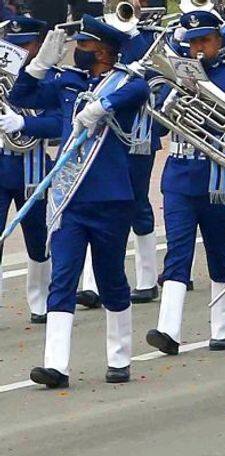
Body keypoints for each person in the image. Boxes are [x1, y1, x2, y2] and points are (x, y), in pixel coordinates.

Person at [10, 17, 149, 387]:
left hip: (110, 198)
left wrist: (101, 105)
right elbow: (20, 98)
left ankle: (119, 358)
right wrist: (37, 67)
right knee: (64, 277)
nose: (78, 51)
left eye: (84, 45)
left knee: (110, 278)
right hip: (69, 200)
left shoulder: (125, 82)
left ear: (103, 50)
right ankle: (56, 365)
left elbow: (138, 91)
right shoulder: (69, 82)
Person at [145, 10, 225, 355]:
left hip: (218, 178)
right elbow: (158, 125)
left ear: (220, 41)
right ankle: (167, 329)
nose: (198, 49)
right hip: (179, 175)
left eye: (205, 40)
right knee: (177, 253)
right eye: (192, 43)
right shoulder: (175, 74)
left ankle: (222, 328)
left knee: (220, 254)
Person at [0, 16, 60, 324]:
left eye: (25, 45)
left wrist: (25, 123)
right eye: (13, 46)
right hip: (0, 163)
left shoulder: (52, 78)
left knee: (38, 239)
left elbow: (60, 123)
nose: (19, 52)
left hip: (33, 168)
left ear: (37, 45)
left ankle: (40, 299)